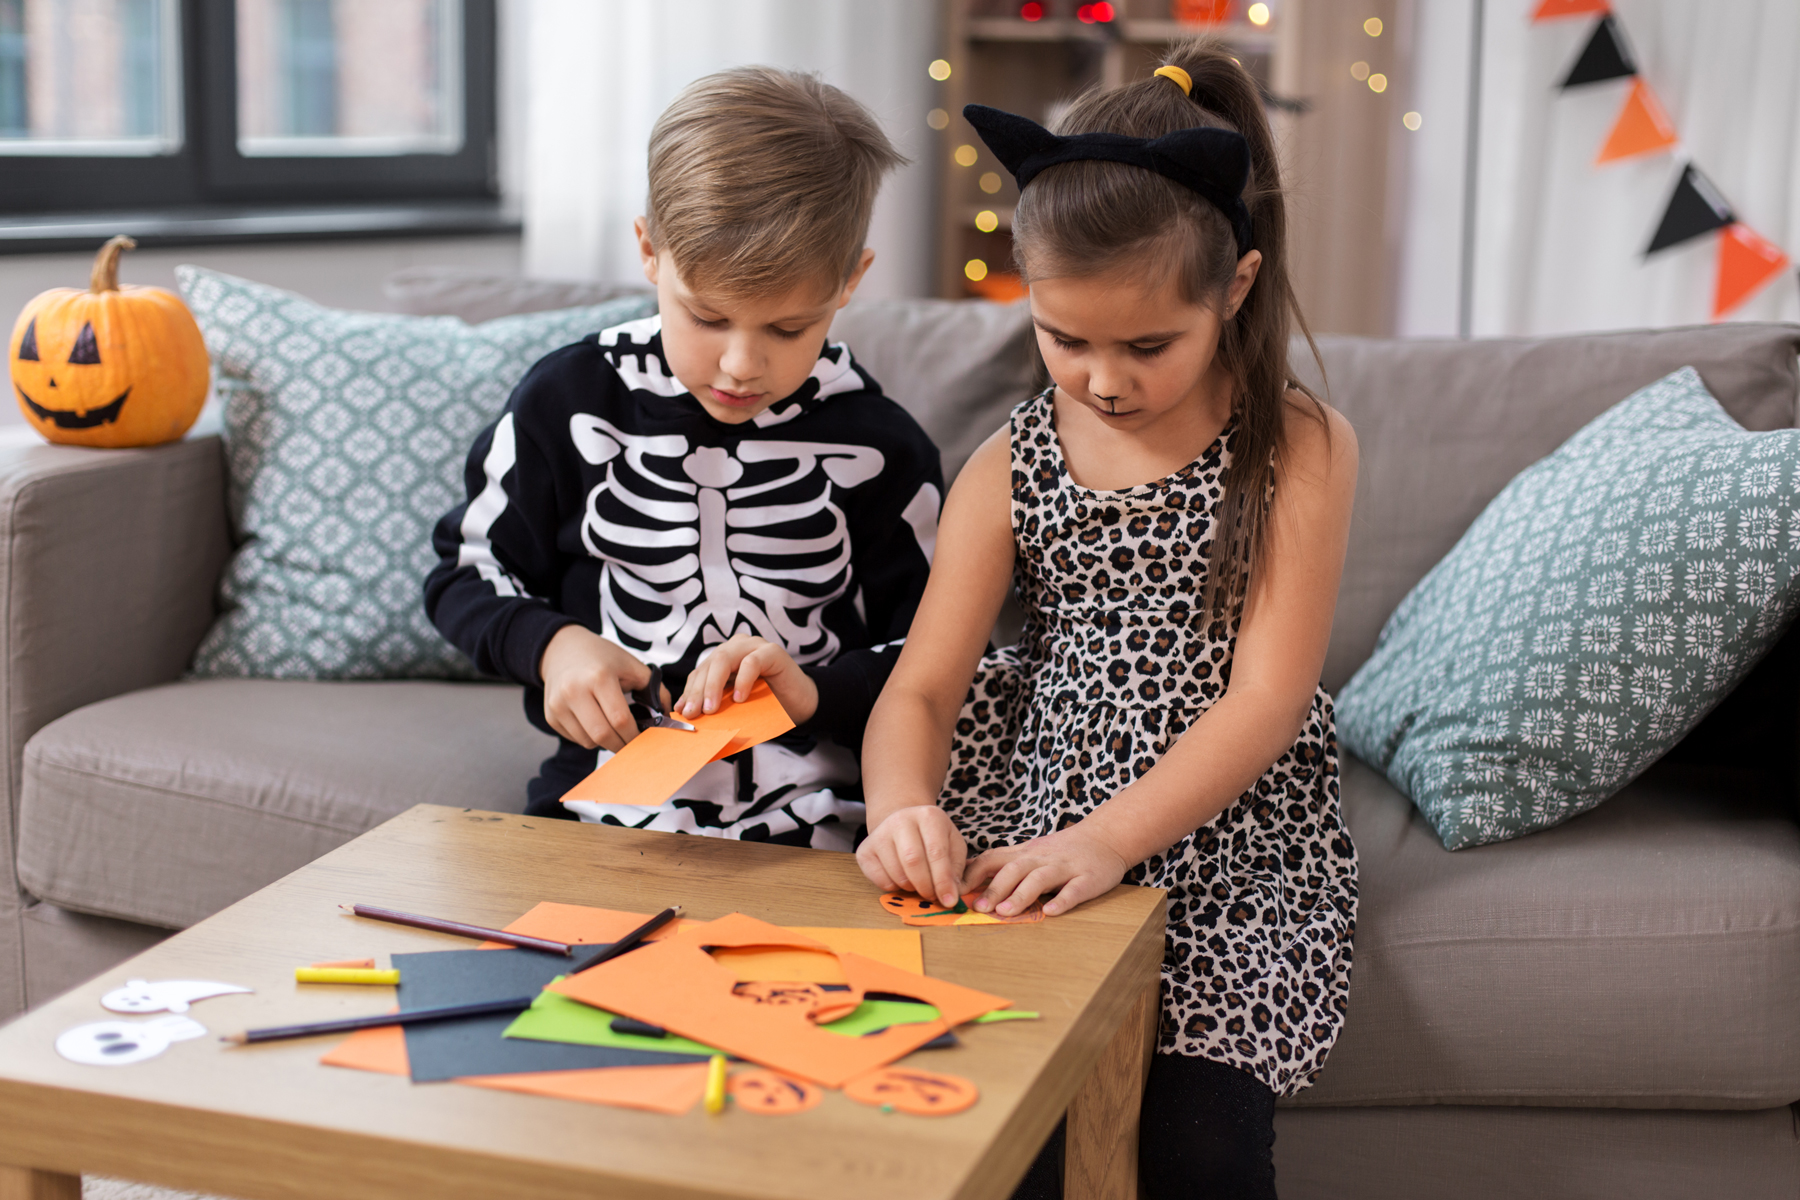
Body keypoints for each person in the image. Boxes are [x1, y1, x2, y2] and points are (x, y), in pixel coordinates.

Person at [855, 41, 1359, 1200]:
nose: (1102, 381)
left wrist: (1109, 844)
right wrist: (900, 811)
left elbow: (1269, 697)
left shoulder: (1300, 444)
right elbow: (924, 689)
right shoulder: (1010, 460)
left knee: (1200, 1150)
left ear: (1234, 288)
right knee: (1006, 1135)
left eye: (1146, 346)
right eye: (1063, 339)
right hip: (1034, 834)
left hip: (1228, 855)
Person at [425, 67, 942, 849]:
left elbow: (939, 652)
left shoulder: (881, 446)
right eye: (708, 316)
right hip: (601, 802)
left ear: (851, 283)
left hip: (826, 819)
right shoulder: (567, 401)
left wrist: (814, 693)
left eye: (787, 329)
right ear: (649, 253)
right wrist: (554, 647)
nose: (740, 365)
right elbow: (464, 573)